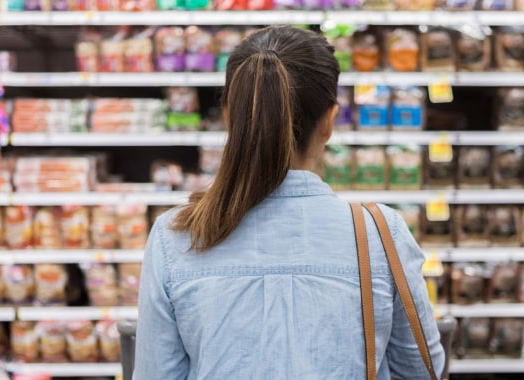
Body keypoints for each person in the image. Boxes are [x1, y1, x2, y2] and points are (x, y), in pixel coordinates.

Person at [134, 25, 445, 380]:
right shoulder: (380, 233)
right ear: (329, 122)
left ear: (229, 119)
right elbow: (423, 370)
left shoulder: (177, 236)